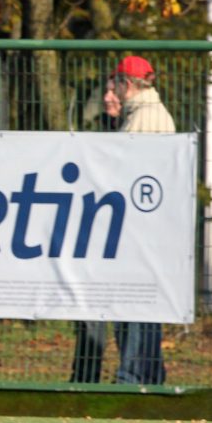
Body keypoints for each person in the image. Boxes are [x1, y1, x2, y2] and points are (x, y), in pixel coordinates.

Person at [70, 55, 174, 385]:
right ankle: (150, 374)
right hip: (144, 229)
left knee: (135, 307)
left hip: (139, 230)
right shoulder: (143, 115)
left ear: (127, 85)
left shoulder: (144, 119)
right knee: (139, 307)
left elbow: (127, 174)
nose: (110, 91)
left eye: (114, 83)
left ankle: (132, 376)